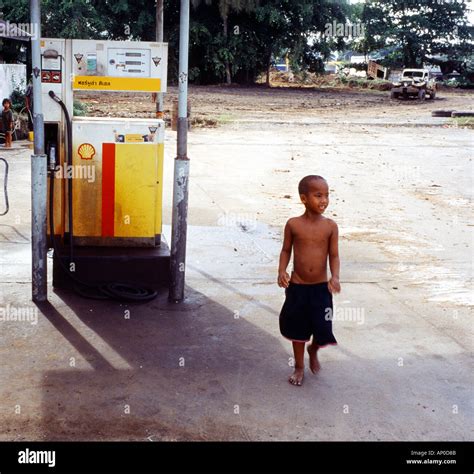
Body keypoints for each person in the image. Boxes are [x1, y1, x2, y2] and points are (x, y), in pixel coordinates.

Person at [278, 175, 340, 386]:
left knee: (323, 329)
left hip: (321, 289)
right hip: (298, 287)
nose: (324, 200)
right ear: (304, 199)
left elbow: (334, 255)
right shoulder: (293, 224)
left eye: (327, 195)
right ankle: (298, 366)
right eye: (318, 195)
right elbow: (286, 249)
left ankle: (313, 349)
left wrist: (335, 277)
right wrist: (281, 270)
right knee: (297, 329)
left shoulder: (330, 226)